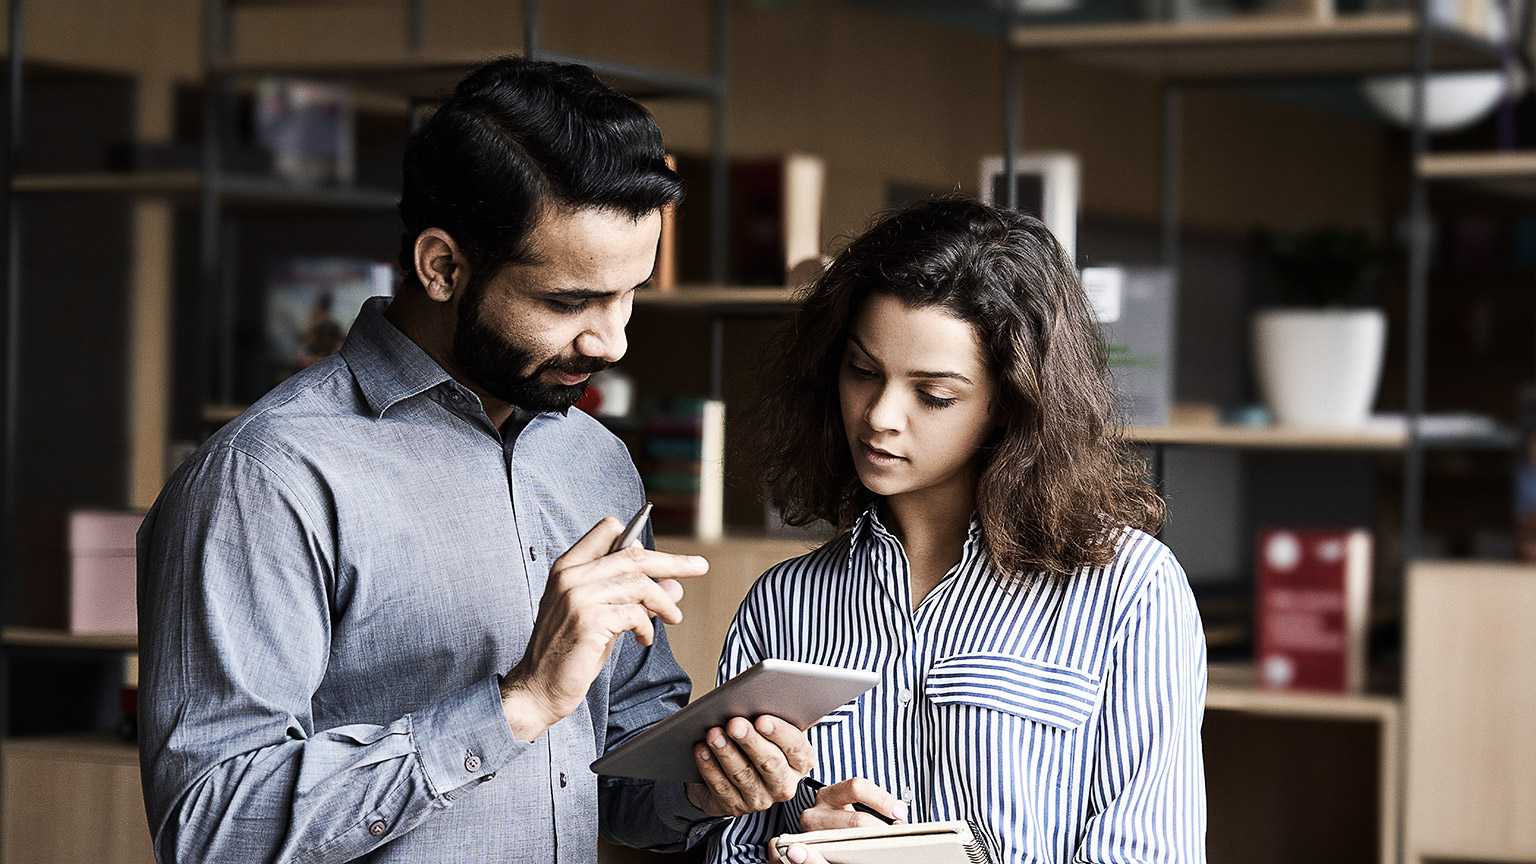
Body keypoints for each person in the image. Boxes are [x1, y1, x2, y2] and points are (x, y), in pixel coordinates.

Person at [137, 56, 812, 864]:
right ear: (442, 266)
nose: (612, 342)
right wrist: (517, 704)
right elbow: (211, 831)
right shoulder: (268, 480)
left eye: (628, 294)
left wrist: (705, 783)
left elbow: (621, 776)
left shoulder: (595, 461)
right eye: (569, 302)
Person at [708, 198, 1207, 863]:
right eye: (862, 371)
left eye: (933, 394)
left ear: (1009, 403)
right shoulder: (783, 607)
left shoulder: (1130, 592)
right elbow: (729, 849)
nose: (881, 415)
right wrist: (791, 854)